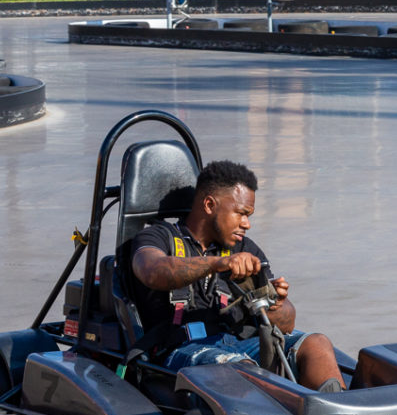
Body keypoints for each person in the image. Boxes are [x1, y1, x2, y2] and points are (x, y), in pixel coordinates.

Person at [129, 160, 346, 392]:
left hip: (239, 344)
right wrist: (218, 263)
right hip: (181, 350)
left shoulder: (246, 248)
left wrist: (276, 304)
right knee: (241, 370)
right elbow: (152, 271)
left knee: (317, 344)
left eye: (249, 216)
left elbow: (287, 322)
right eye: (241, 214)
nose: (247, 224)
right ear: (210, 205)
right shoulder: (157, 237)